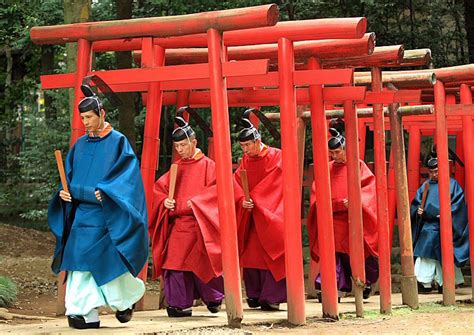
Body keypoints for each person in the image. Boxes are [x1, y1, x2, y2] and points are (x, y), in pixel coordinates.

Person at [48, 84, 149, 329]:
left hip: (106, 215)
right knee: (77, 261)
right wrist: (63, 192)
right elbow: (68, 177)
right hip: (80, 214)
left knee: (103, 262)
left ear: (102, 114)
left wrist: (108, 192)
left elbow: (128, 177)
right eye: (83, 118)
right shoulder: (79, 145)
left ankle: (122, 302)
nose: (86, 122)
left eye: (90, 117)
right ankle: (82, 311)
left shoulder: (119, 142)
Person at [149, 116, 224, 317]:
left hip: (202, 224)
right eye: (177, 146)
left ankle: (213, 297)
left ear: (194, 142)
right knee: (173, 262)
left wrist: (200, 202)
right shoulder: (176, 167)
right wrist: (164, 201)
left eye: (183, 145)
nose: (180, 149)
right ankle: (179, 304)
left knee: (203, 260)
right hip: (179, 225)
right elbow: (159, 190)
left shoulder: (210, 166)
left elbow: (219, 192)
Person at [307, 124, 379, 300]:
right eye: (332, 153)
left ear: (346, 149)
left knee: (358, 253)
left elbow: (368, 190)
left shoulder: (359, 166)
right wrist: (327, 204)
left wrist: (356, 201)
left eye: (337, 151)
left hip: (352, 219)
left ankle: (365, 281)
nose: (334, 155)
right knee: (332, 254)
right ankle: (331, 288)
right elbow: (317, 192)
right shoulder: (326, 168)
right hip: (332, 219)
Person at [233, 111, 287, 311]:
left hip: (272, 213)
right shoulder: (245, 161)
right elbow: (236, 183)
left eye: (248, 145)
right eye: (242, 146)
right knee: (251, 254)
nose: (245, 150)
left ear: (258, 140)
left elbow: (276, 183)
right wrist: (241, 200)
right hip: (252, 216)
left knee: (272, 252)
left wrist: (256, 199)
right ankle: (255, 294)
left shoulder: (277, 156)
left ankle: (272, 296)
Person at [411, 156, 469, 293]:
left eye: (436, 171)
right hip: (428, 225)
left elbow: (459, 205)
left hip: (446, 226)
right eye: (431, 172)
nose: (434, 174)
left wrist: (447, 214)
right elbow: (416, 204)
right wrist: (418, 210)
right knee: (425, 244)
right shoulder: (425, 186)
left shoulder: (453, 185)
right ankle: (423, 281)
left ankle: (446, 281)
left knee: (444, 250)